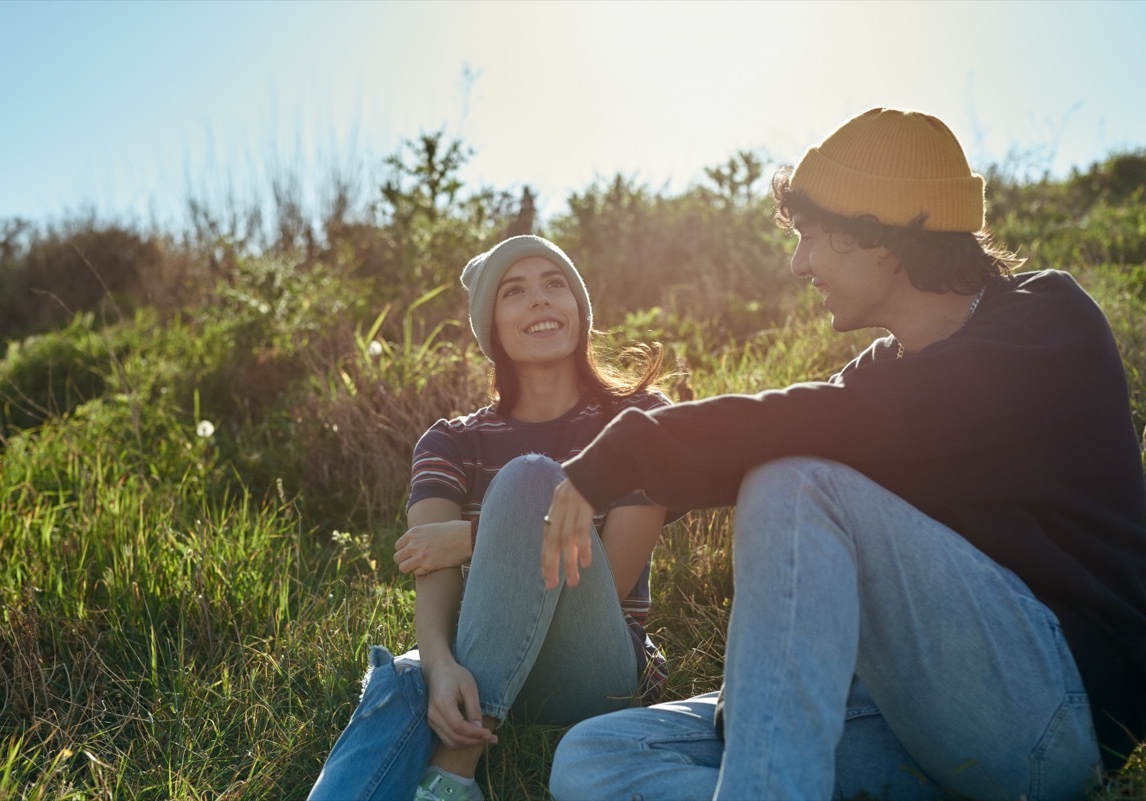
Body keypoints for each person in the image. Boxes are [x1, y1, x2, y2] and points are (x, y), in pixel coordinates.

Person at [542, 108, 1146, 801]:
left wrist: (627, 448)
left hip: (1052, 720)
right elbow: (830, 421)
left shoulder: (1049, 321)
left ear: (878, 236)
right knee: (596, 756)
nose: (799, 264)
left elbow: (836, 423)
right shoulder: (881, 373)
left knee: (793, 479)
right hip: (922, 721)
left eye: (810, 237)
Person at [307, 235, 677, 801]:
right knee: (403, 676)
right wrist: (438, 666)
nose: (540, 300)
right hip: (480, 658)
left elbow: (615, 574)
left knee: (532, 478)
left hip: (592, 668)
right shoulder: (450, 442)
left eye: (556, 284)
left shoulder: (639, 419)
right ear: (491, 326)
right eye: (515, 291)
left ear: (579, 308)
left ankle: (455, 773)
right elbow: (431, 561)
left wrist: (476, 536)